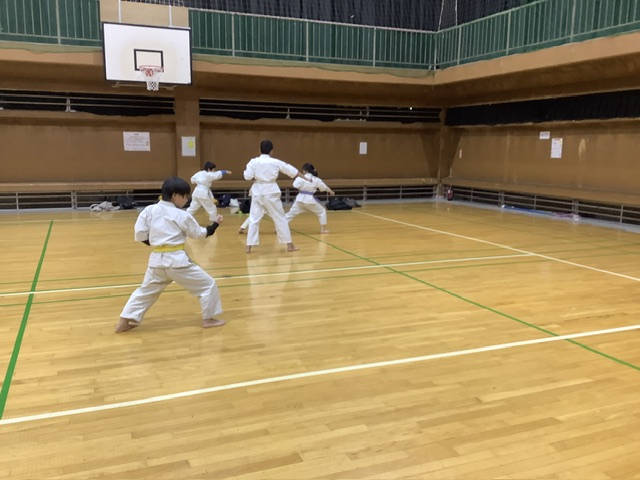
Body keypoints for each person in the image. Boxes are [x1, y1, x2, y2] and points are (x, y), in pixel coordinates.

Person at [115, 177, 226, 333]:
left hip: (156, 262)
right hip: (177, 262)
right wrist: (215, 225)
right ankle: (208, 319)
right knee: (208, 285)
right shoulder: (181, 215)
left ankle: (123, 322)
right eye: (185, 196)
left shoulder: (148, 210)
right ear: (175, 195)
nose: (186, 200)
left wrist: (158, 243)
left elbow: (140, 235)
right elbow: (200, 234)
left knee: (145, 292)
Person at [243, 139, 304, 253]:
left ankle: (248, 246)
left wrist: (258, 175)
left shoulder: (253, 162)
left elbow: (247, 176)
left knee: (254, 219)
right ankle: (289, 245)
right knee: (280, 218)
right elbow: (291, 170)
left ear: (259, 150)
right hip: (271, 191)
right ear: (272, 151)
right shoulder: (275, 162)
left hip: (257, 192)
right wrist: (305, 178)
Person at [286, 162, 335, 234]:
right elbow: (324, 187)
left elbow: (295, 185)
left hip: (299, 199)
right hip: (309, 200)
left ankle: (279, 228)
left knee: (290, 214)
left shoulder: (300, 178)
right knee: (322, 211)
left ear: (304, 171)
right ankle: (323, 230)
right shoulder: (316, 179)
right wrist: (330, 191)